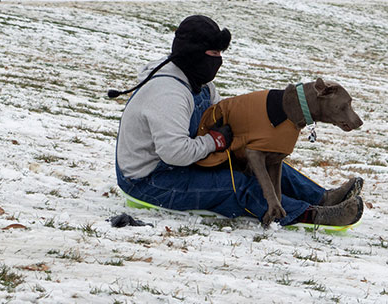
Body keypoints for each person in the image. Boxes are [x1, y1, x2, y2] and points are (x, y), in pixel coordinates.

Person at [112, 15, 364, 227]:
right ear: (193, 55)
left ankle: (323, 198)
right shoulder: (168, 93)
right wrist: (214, 141)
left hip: (186, 161)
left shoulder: (199, 83)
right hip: (151, 179)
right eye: (213, 53)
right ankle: (311, 216)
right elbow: (174, 153)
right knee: (236, 184)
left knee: (266, 157)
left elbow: (220, 116)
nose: (218, 60)